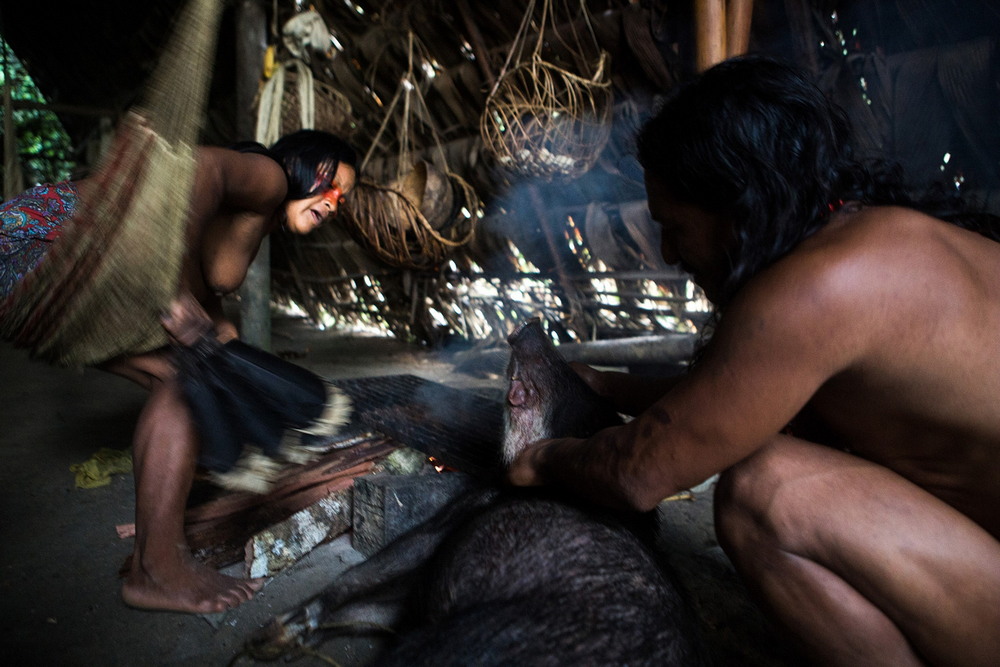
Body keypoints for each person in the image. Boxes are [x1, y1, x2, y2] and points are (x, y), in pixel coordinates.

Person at [508, 56, 1000, 666]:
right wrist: (601, 383)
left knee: (765, 493)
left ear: (736, 207)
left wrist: (543, 460)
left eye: (675, 226)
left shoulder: (820, 289)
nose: (667, 251)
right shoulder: (871, 236)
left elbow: (639, 475)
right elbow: (734, 396)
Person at [1, 129, 358, 614]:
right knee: (187, 382)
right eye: (330, 183)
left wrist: (244, 376)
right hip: (45, 238)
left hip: (58, 263)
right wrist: (167, 287)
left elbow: (211, 304)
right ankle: (158, 570)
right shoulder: (268, 179)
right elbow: (199, 169)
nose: (334, 203)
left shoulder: (257, 219)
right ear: (298, 163)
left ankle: (154, 563)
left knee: (198, 373)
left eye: (343, 198)